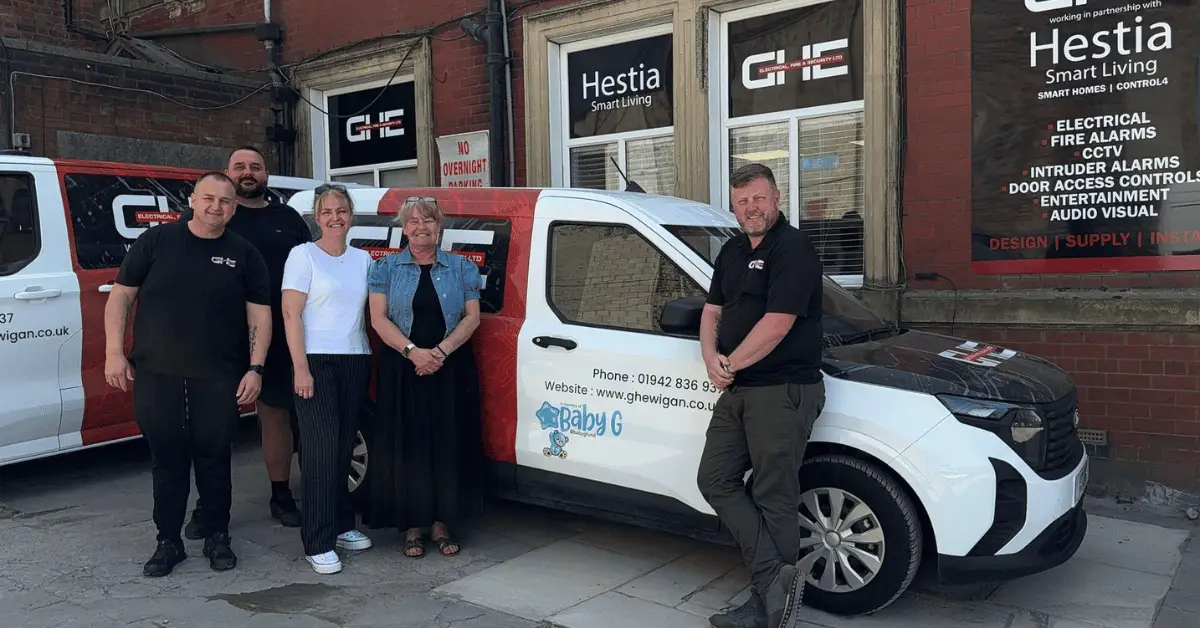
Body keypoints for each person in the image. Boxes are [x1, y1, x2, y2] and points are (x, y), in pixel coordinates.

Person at [104, 171, 272, 577]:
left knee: (214, 459)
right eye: (209, 198)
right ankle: (168, 541)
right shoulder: (156, 241)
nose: (216, 207)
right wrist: (114, 352)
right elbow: (121, 296)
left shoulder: (244, 253)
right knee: (167, 461)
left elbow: (259, 314)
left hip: (219, 375)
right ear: (192, 200)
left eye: (225, 201)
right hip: (157, 373)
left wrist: (256, 367)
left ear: (234, 208)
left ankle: (217, 536)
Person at [696, 163, 826, 628]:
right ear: (734, 207)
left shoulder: (793, 249)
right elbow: (712, 311)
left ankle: (769, 608)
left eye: (758, 199)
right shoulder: (731, 251)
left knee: (775, 496)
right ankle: (775, 580)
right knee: (714, 478)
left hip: (781, 389)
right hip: (739, 387)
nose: (751, 208)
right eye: (742, 202)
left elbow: (778, 323)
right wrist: (711, 357)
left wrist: (730, 363)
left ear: (775, 198)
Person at [185, 146, 311, 538]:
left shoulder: (287, 219)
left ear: (266, 174)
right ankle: (208, 504)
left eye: (255, 166)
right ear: (227, 172)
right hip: (217, 336)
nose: (248, 172)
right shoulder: (211, 219)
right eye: (239, 166)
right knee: (213, 423)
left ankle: (280, 495)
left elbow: (312, 270)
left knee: (275, 415)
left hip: (275, 336)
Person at [363, 196, 485, 559]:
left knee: (445, 443)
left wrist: (441, 352)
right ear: (403, 228)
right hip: (403, 367)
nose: (421, 227)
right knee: (407, 446)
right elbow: (379, 319)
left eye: (428, 221)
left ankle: (441, 523)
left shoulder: (461, 268)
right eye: (413, 222)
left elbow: (472, 317)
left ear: (439, 226)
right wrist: (413, 353)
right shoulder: (385, 269)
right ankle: (412, 526)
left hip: (450, 366)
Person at [280, 184, 375, 574]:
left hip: (355, 357)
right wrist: (300, 368)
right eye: (327, 212)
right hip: (315, 361)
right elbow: (290, 315)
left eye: (341, 210)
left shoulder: (363, 259)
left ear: (351, 215)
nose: (335, 217)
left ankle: (340, 525)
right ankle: (316, 540)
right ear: (316, 218)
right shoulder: (302, 256)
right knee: (319, 452)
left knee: (341, 449)